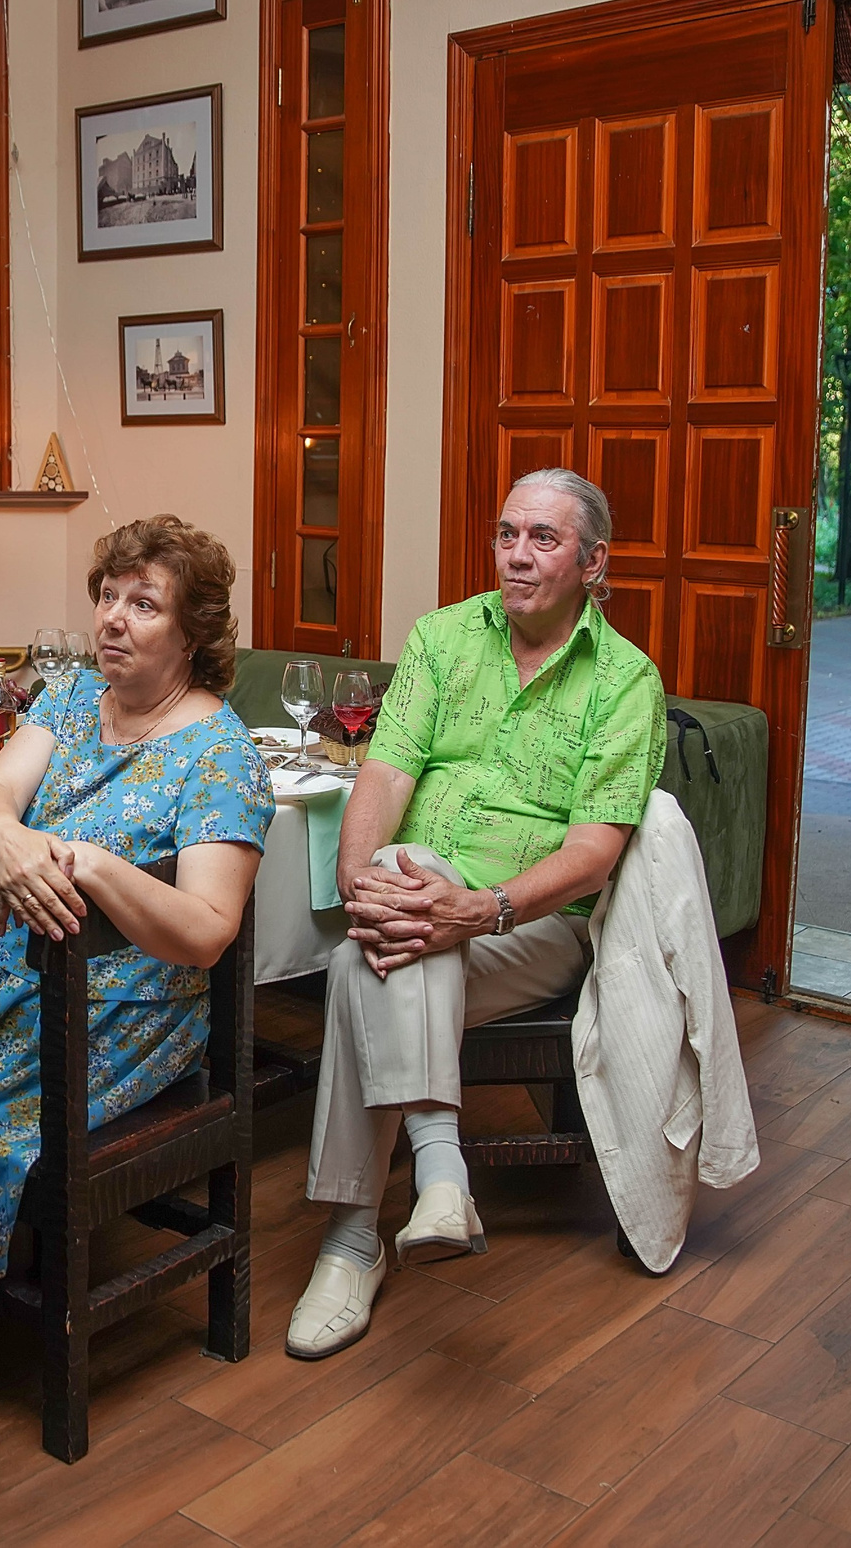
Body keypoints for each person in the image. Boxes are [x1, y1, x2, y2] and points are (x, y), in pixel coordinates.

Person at [287, 469, 666, 1362]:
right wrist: (358, 877)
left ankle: (351, 1243)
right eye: (507, 534)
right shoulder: (443, 638)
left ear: (594, 562)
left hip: (533, 929)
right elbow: (384, 771)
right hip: (419, 905)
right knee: (371, 941)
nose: (518, 554)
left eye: (544, 538)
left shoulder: (625, 682)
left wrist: (483, 908)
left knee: (364, 960)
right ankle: (439, 1177)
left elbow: (595, 852)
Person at [0, 516, 271, 1277]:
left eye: (144, 604)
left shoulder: (222, 755)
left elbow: (208, 931)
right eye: (108, 595)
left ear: (191, 634)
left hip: (127, 1012)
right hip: (18, 975)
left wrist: (95, 865)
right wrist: (6, 838)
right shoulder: (73, 696)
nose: (111, 617)